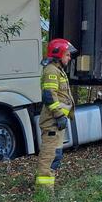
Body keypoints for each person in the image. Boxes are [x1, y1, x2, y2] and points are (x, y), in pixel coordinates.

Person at [36, 38, 77, 193]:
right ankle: (44, 193)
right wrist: (59, 115)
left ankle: (48, 189)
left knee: (55, 155)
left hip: (56, 123)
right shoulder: (51, 71)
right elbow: (49, 96)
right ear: (59, 54)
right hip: (52, 122)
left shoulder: (57, 70)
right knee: (49, 156)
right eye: (67, 54)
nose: (69, 57)